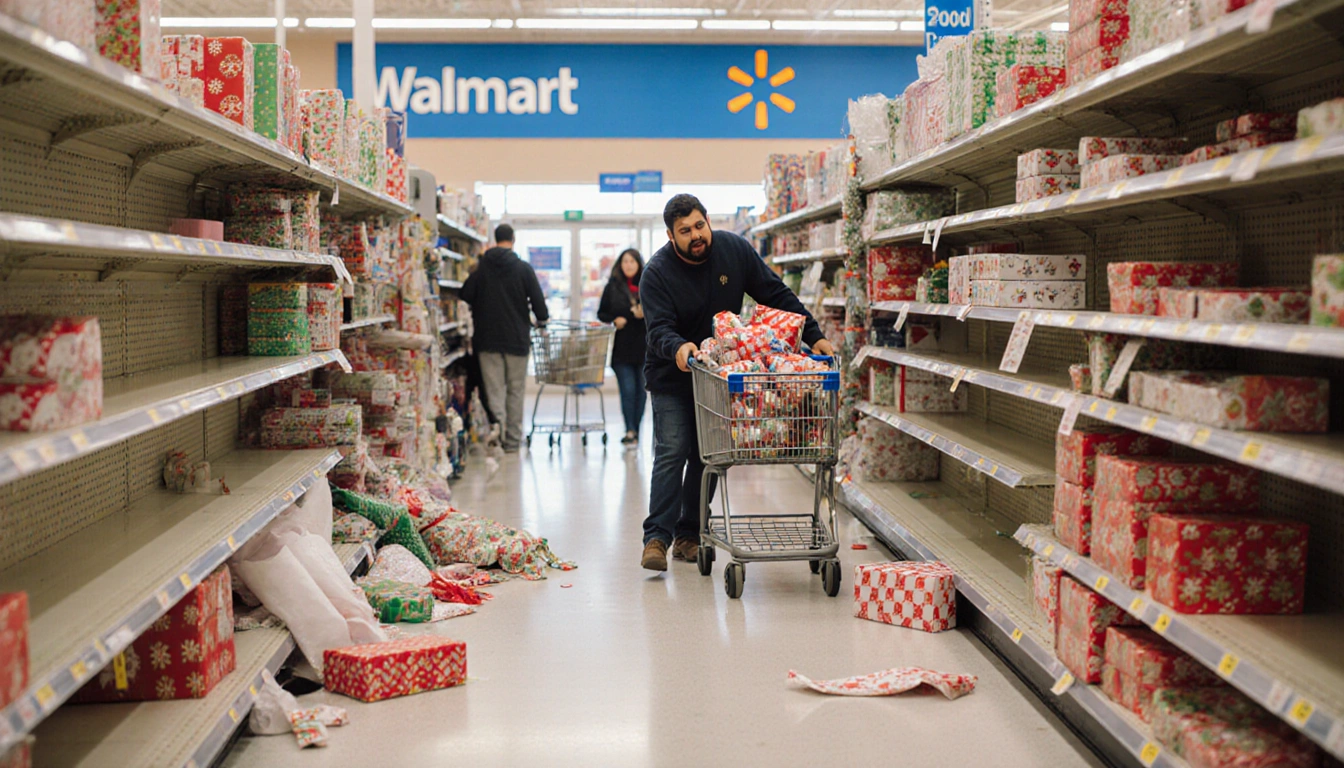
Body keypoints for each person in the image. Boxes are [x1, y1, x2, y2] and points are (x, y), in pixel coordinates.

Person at [637, 194, 835, 571]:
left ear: (707, 220)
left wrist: (813, 332)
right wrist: (680, 348)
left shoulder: (733, 250)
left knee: (708, 454)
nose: (696, 236)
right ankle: (656, 539)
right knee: (673, 450)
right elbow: (658, 329)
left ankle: (689, 534)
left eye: (699, 225)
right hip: (673, 373)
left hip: (720, 374)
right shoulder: (657, 273)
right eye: (685, 231)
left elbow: (776, 295)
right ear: (670, 235)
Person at [460, 223, 549, 453]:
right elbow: (540, 306)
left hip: (487, 340)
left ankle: (496, 435)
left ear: (494, 239)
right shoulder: (523, 269)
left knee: (494, 390)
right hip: (517, 339)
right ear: (513, 240)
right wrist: (541, 320)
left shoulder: (481, 269)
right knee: (516, 390)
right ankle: (512, 440)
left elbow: (465, 294)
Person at [596, 248, 648, 445]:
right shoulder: (613, 287)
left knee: (641, 392)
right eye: (625, 261)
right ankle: (630, 430)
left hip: (643, 347)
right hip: (622, 349)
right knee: (627, 390)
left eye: (632, 262)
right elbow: (602, 313)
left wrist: (644, 314)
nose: (628, 265)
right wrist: (615, 319)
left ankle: (637, 428)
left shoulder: (647, 285)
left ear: (638, 264)